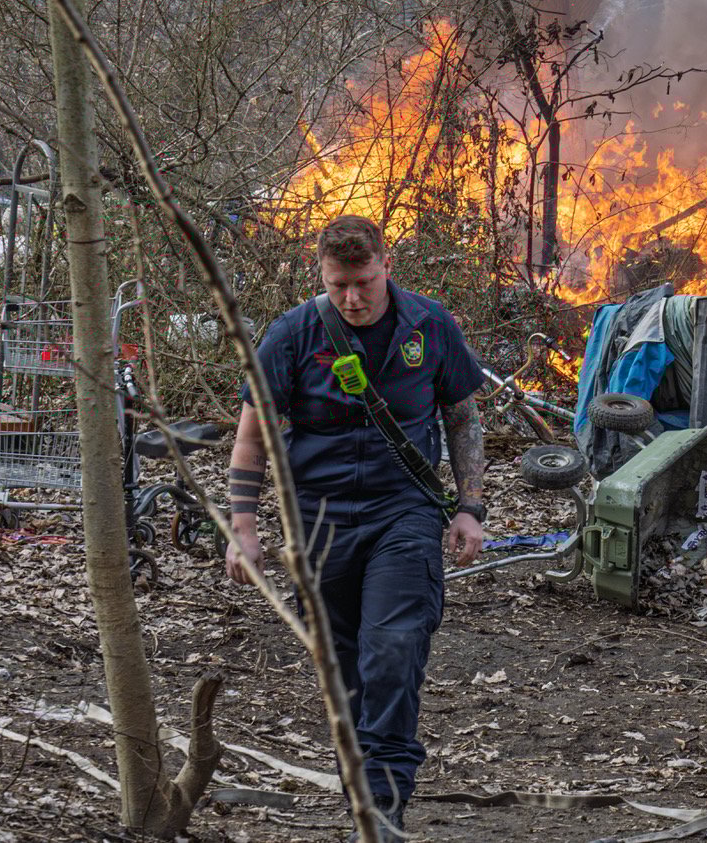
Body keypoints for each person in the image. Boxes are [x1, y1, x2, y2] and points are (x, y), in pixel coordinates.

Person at [225, 214, 486, 840]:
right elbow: (251, 437)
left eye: (364, 281)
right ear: (322, 274)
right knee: (344, 672)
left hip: (404, 511)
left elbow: (463, 416)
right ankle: (360, 795)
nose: (353, 297)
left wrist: (470, 506)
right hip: (318, 519)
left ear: (387, 267)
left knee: (393, 653)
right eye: (339, 283)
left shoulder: (430, 325)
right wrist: (243, 526)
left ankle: (382, 810)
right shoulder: (292, 335)